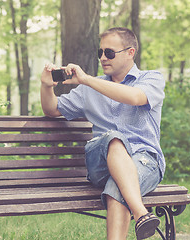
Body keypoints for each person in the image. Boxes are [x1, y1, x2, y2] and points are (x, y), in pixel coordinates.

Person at [40, 27, 165, 240]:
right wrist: (46, 86)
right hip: (101, 163)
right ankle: (141, 213)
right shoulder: (90, 87)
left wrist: (87, 79)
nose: (103, 58)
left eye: (109, 52)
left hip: (145, 161)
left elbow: (135, 97)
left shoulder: (151, 78)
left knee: (117, 188)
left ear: (130, 52)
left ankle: (134, 218)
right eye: (100, 53)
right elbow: (52, 109)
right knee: (113, 139)